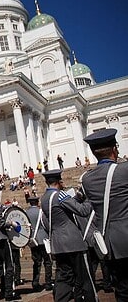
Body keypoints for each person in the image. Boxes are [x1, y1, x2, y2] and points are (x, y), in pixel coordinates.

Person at [82, 128, 128, 300]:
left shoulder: (87, 179)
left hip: (108, 243)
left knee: (122, 290)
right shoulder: (124, 171)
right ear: (114, 149)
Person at [41, 169, 97, 302]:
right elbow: (82, 211)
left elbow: (62, 209)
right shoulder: (60, 195)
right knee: (85, 278)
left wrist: (76, 198)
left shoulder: (44, 198)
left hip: (58, 244)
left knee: (64, 279)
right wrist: (90, 199)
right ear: (59, 182)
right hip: (73, 243)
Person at [25, 196, 53, 292]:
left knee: (36, 262)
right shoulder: (41, 212)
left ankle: (35, 282)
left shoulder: (26, 213)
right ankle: (48, 282)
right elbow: (46, 224)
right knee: (47, 262)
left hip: (33, 240)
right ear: (37, 202)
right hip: (43, 239)